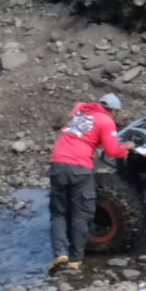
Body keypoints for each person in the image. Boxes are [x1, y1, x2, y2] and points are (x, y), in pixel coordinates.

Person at [48, 94, 128, 274]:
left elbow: (78, 107)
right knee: (81, 213)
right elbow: (112, 150)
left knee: (58, 213)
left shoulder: (80, 112)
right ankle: (75, 259)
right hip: (79, 167)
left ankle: (60, 254)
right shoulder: (106, 121)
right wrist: (126, 148)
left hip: (57, 164)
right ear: (113, 111)